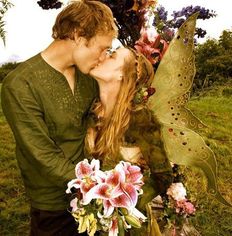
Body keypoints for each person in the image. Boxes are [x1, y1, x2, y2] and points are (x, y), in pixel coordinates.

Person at [1, 1, 117, 235]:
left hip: (88, 193)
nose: (104, 57)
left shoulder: (88, 78)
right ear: (77, 34)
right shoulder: (20, 84)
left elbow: (98, 125)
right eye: (102, 48)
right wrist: (95, 183)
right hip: (51, 201)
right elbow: (41, 153)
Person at [85, 47, 173, 235]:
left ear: (121, 76)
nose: (104, 56)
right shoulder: (90, 113)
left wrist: (124, 203)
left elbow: (164, 176)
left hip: (127, 226)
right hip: (90, 221)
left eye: (112, 55)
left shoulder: (140, 119)